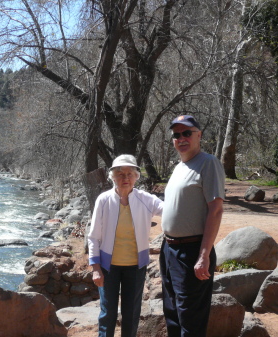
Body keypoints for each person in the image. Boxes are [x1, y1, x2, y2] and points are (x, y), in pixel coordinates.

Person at [160, 115, 225, 337]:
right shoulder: (180, 166)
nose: (181, 138)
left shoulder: (208, 163)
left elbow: (215, 210)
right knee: (172, 312)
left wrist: (204, 255)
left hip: (192, 251)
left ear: (199, 135)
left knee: (190, 317)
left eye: (187, 133)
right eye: (177, 135)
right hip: (169, 249)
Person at [88, 154, 163, 337]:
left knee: (131, 314)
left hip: (136, 267)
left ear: (136, 177)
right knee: (108, 313)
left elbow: (169, 209)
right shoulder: (104, 200)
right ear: (112, 176)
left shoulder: (146, 199)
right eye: (120, 174)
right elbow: (93, 237)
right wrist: (95, 268)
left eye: (130, 174)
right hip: (108, 267)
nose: (125, 178)